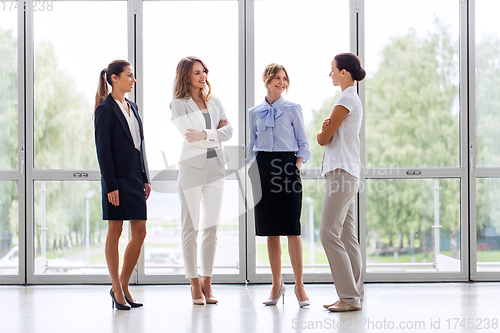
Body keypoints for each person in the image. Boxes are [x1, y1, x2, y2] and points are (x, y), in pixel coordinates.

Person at [247, 63, 311, 307]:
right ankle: (276, 284)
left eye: (285, 78)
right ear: (266, 79)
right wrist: (253, 166)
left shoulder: (293, 109)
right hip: (262, 169)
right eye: (277, 77)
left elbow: (303, 143)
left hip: (287, 166)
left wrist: (296, 165)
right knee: (270, 231)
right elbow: (251, 144)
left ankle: (299, 285)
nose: (281, 82)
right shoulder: (254, 112)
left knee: (292, 231)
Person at [170, 56, 232, 305]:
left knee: (211, 228)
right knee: (190, 228)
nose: (202, 75)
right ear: (186, 76)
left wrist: (207, 133)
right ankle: (193, 281)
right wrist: (216, 133)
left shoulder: (214, 101)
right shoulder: (178, 104)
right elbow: (189, 137)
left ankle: (207, 279)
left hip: (216, 168)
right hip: (192, 170)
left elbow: (229, 132)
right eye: (197, 72)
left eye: (204, 71)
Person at [94, 60, 151, 310]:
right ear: (114, 78)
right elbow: (102, 151)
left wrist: (146, 177)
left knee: (140, 232)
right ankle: (116, 289)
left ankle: (123, 284)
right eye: (129, 75)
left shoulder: (133, 107)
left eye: (133, 75)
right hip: (115, 180)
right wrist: (110, 186)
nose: (133, 80)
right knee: (115, 232)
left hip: (135, 178)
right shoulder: (104, 110)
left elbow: (140, 144)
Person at [317, 53, 366, 312]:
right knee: (347, 236)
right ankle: (354, 294)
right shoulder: (352, 99)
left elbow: (323, 138)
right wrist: (326, 128)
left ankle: (349, 297)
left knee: (327, 234)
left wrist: (322, 129)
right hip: (347, 172)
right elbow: (330, 133)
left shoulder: (346, 98)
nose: (330, 74)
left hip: (341, 173)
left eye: (333, 69)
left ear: (344, 72)